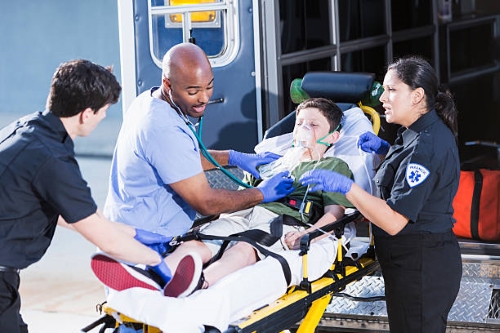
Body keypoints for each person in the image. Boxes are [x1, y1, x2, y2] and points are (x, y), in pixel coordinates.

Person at [90, 98, 360, 332]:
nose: (303, 130)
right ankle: (155, 275)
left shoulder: (333, 165)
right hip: (245, 212)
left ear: (333, 136)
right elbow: (245, 195)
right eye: (300, 123)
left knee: (244, 248)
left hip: (281, 222)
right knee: (202, 240)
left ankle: (199, 283)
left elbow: (334, 214)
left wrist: (307, 235)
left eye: (313, 126)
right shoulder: (276, 160)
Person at [0, 59, 182, 333]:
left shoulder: (29, 129)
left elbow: (72, 214)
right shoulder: (52, 160)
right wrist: (159, 263)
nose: (104, 117)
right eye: (104, 111)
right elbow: (105, 240)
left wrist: (133, 233)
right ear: (86, 113)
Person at [300, 56, 462, 333]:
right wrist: (385, 152)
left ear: (417, 96)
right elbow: (408, 179)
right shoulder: (413, 132)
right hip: (412, 264)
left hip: (421, 267)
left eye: (391, 90)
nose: (382, 98)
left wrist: (346, 186)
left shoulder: (426, 145)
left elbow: (395, 220)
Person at [103, 41, 294, 246]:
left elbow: (179, 159)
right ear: (168, 84)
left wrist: (233, 157)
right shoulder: (161, 127)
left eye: (209, 86)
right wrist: (261, 193)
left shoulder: (148, 99)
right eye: (193, 91)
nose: (204, 98)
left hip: (126, 225)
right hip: (147, 238)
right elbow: (206, 202)